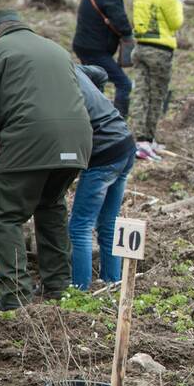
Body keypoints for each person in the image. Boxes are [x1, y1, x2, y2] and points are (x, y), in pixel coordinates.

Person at [0, 10, 92, 311]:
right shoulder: (56, 49)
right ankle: (59, 287)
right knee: (51, 206)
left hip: (29, 141)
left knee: (5, 215)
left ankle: (14, 293)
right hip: (77, 142)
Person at [68, 64, 135, 290]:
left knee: (80, 226)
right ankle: (112, 281)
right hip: (125, 142)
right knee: (108, 222)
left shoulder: (52, 79)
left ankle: (79, 289)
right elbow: (101, 72)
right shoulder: (72, 66)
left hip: (104, 152)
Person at [131, 0, 186, 161]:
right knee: (156, 96)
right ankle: (148, 140)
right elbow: (176, 22)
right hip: (160, 50)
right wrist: (179, 1)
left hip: (140, 46)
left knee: (140, 93)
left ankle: (138, 139)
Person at [73, 0, 134, 117]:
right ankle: (119, 125)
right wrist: (128, 33)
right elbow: (120, 21)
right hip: (95, 48)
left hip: (85, 45)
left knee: (94, 84)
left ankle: (92, 120)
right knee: (124, 84)